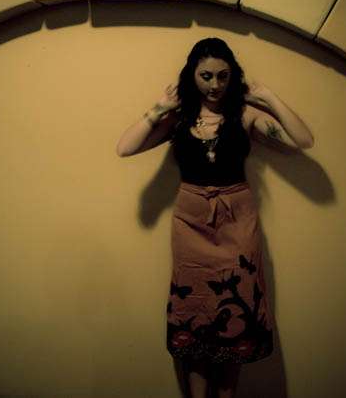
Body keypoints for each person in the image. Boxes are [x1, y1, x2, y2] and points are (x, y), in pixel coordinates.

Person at [116, 37, 314, 398]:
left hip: (238, 221)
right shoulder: (179, 119)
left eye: (223, 76)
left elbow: (303, 140)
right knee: (195, 310)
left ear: (232, 76)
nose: (215, 85)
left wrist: (268, 96)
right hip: (190, 224)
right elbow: (124, 147)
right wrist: (159, 108)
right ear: (191, 75)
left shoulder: (245, 116)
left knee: (235, 316)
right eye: (206, 75)